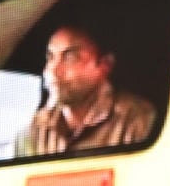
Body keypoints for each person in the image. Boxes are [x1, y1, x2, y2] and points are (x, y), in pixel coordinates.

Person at [17, 24, 156, 156]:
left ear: (104, 65)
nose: (53, 70)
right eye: (50, 57)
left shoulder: (137, 122)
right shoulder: (35, 130)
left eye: (70, 57)